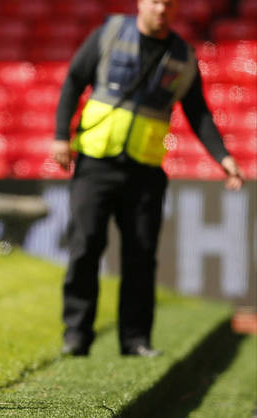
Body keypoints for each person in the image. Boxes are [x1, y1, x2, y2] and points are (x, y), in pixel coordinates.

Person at [51, 0, 245, 357]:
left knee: (141, 256)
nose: (161, 9)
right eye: (155, 1)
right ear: (141, 3)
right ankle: (76, 335)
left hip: (146, 171)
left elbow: (198, 110)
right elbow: (74, 80)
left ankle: (136, 339)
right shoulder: (109, 34)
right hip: (96, 163)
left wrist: (224, 158)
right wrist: (61, 135)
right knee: (84, 247)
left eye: (169, 4)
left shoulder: (182, 55)